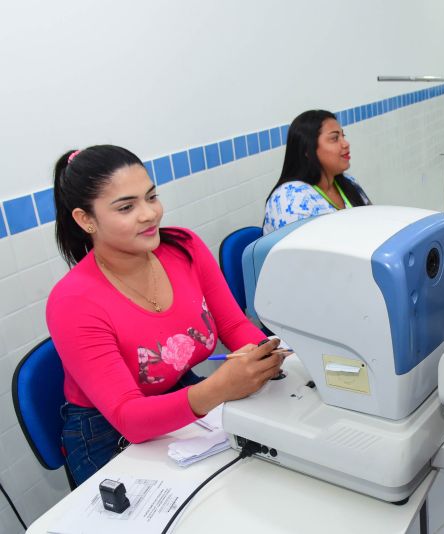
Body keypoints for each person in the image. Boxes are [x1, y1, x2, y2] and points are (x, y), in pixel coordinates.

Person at [47, 145, 286, 485]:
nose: (150, 214)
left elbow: (232, 324)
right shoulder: (73, 302)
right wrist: (218, 389)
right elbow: (128, 417)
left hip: (179, 395)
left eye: (151, 197)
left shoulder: (183, 248)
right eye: (127, 207)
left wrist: (266, 356)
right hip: (107, 431)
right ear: (86, 219)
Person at [263, 109, 371, 234]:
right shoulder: (290, 198)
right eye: (335, 138)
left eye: (343, 136)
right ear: (308, 149)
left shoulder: (348, 182)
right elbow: (302, 252)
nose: (346, 144)